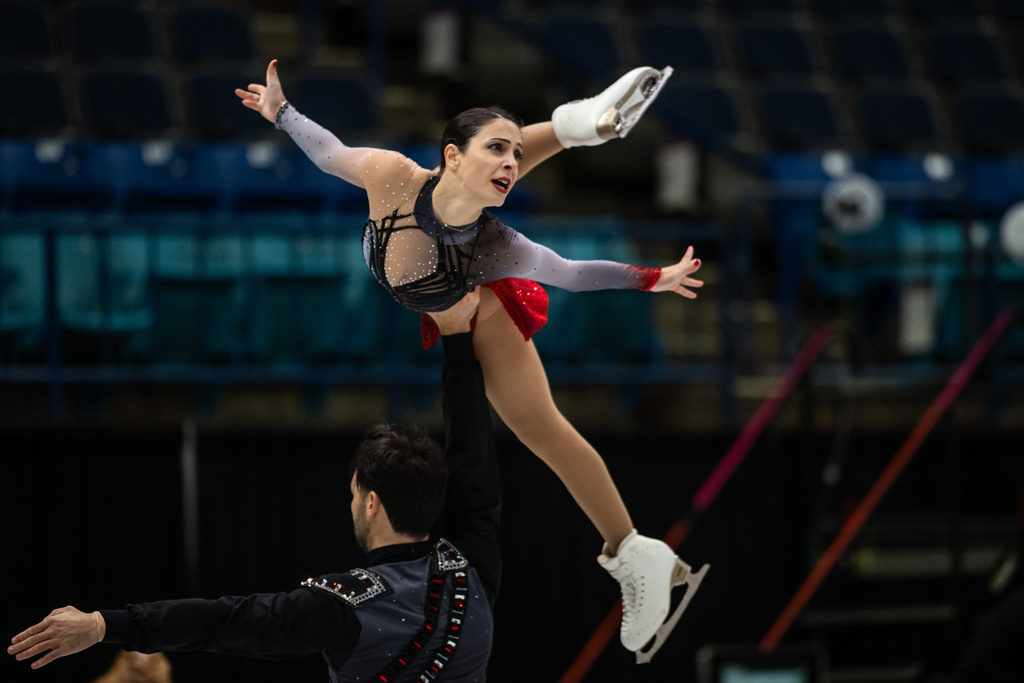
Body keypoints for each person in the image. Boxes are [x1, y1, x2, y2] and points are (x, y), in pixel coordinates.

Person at [234, 60, 708, 658]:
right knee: (478, 180)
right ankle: (583, 123)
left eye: (517, 154)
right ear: (449, 154)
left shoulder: (498, 247)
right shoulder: (391, 176)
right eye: (497, 151)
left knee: (541, 429)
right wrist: (282, 112)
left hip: (478, 306)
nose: (512, 163)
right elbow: (331, 154)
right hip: (446, 241)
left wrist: (651, 278)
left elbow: (572, 274)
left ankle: (635, 553)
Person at [9, 290, 503, 680]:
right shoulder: (474, 567)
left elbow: (225, 621)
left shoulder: (343, 606)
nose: (350, 502)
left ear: (371, 503)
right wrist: (458, 338)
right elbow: (472, 452)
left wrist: (102, 625)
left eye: (353, 494)